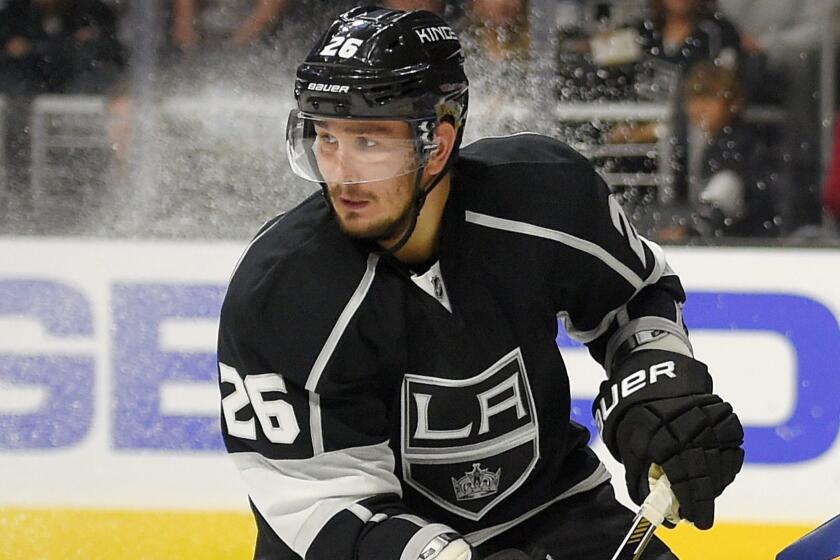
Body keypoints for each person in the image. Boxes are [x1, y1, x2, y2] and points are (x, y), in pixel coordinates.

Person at [217, 7, 745, 560]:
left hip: (553, 515)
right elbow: (317, 503)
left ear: (438, 143)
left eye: (368, 142)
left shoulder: (544, 198)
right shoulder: (280, 290)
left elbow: (634, 297)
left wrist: (653, 386)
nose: (341, 171)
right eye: (326, 138)